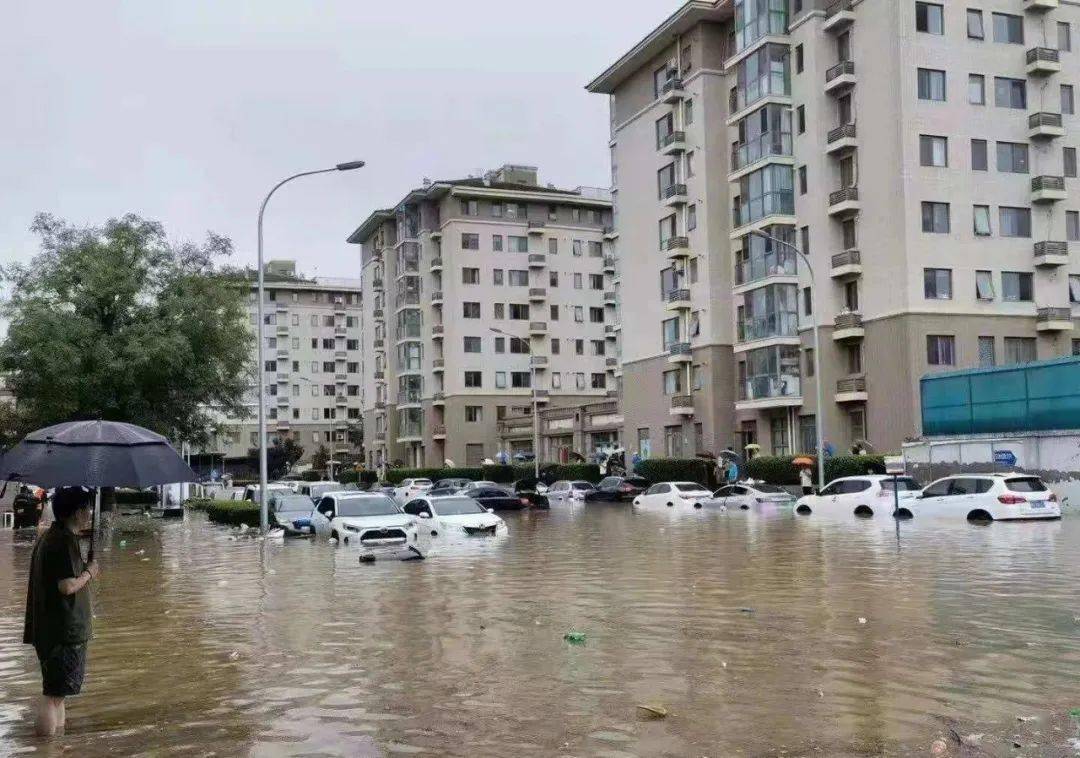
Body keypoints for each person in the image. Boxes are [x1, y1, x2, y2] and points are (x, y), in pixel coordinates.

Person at [23, 487, 100, 738]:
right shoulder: (63, 541)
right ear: (77, 512)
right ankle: (45, 748)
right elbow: (66, 586)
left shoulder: (50, 537)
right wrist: (89, 572)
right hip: (62, 632)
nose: (89, 513)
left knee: (59, 694)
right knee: (53, 697)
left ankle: (57, 746)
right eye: (87, 508)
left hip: (50, 629)